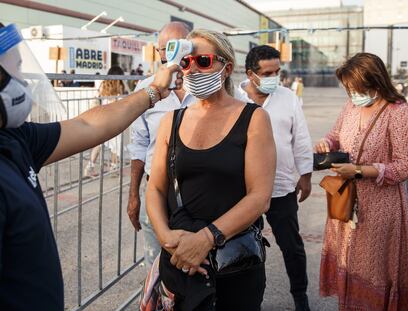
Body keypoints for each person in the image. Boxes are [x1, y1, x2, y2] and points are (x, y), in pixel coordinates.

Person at [0, 22, 181, 310]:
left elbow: (87, 125)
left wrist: (154, 91)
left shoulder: (13, 139)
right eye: (11, 72)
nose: (21, 82)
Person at [146, 29, 276, 310]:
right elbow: (156, 187)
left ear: (226, 67)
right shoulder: (172, 120)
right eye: (186, 62)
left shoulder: (254, 118)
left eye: (202, 61)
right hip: (178, 258)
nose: (192, 69)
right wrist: (167, 239)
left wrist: (206, 239)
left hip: (232, 263)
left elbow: (259, 197)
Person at [315, 52, 408, 309]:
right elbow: (335, 134)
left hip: (380, 208)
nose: (353, 95)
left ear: (376, 82)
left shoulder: (398, 111)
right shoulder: (351, 106)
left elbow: (406, 165)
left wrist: (360, 171)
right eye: (348, 90)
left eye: (357, 89)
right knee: (348, 260)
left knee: (373, 269)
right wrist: (327, 142)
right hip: (346, 202)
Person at [238, 45, 313, 311]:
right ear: (251, 73)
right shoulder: (234, 98)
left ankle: (300, 296)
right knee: (244, 248)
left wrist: (305, 175)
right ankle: (248, 301)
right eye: (267, 72)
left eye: (277, 71)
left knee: (292, 247)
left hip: (281, 187)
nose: (274, 77)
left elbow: (301, 138)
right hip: (242, 190)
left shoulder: (288, 98)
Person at [127, 22, 195, 268]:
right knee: (156, 266)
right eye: (163, 49)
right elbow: (138, 145)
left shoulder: (206, 89)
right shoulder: (145, 90)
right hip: (156, 190)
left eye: (175, 47)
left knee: (192, 264)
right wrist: (134, 194)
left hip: (197, 191)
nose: (168, 55)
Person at [84, 66, 128, 176]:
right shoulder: (120, 86)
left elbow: (98, 98)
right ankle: (113, 167)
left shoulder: (104, 84)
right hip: (115, 118)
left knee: (98, 144)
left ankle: (89, 167)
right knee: (116, 144)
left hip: (102, 118)